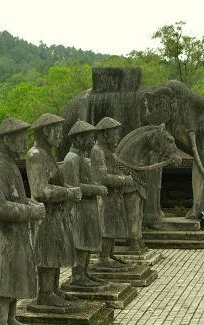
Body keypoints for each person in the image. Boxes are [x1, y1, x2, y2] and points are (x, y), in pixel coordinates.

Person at [0, 117, 45, 325]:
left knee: (15, 274)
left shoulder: (9, 165)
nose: (23, 144)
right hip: (3, 235)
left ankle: (10, 318)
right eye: (19, 139)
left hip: (17, 234)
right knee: (2, 277)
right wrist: (29, 212)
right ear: (7, 139)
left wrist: (30, 204)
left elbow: (16, 197)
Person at [26, 113, 85, 309]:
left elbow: (55, 182)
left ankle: (54, 289)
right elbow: (40, 190)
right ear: (45, 131)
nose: (61, 135)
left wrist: (68, 189)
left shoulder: (47, 155)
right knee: (48, 253)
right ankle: (45, 293)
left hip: (56, 213)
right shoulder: (35, 155)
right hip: (46, 215)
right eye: (57, 131)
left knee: (56, 252)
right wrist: (68, 193)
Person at [60, 120, 111, 291]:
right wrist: (97, 189)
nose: (92, 142)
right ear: (78, 139)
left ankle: (85, 272)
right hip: (79, 208)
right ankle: (78, 275)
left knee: (89, 240)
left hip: (88, 207)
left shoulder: (83, 158)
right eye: (89, 138)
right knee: (81, 243)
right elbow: (74, 185)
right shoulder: (71, 158)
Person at [90, 117, 135, 269]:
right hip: (105, 198)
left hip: (114, 197)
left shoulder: (110, 152)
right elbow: (102, 177)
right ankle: (103, 258)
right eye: (114, 134)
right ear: (105, 135)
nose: (117, 137)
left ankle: (109, 254)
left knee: (113, 227)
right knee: (107, 227)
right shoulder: (97, 151)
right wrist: (124, 180)